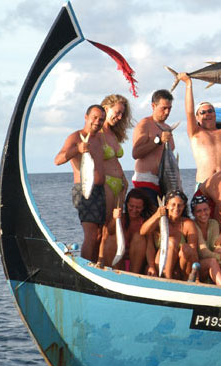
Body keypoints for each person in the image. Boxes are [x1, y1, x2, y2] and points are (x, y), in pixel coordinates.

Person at [54, 104, 106, 262]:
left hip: (100, 190)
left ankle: (94, 266)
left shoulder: (100, 138)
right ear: (86, 117)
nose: (97, 122)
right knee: (91, 234)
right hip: (84, 190)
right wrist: (77, 149)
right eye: (94, 118)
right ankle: (86, 266)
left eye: (101, 119)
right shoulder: (75, 137)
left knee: (100, 234)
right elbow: (58, 160)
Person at [98, 94, 131, 266]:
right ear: (106, 108)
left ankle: (111, 264)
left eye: (121, 115)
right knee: (106, 229)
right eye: (117, 112)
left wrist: (124, 180)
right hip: (106, 183)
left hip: (120, 184)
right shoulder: (97, 133)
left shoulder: (113, 133)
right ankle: (100, 263)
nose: (119, 117)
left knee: (115, 227)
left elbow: (114, 160)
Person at [140, 190, 198, 280]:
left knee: (184, 247)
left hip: (180, 269)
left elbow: (193, 251)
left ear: (184, 206)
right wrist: (157, 215)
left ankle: (181, 279)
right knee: (170, 242)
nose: (176, 208)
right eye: (173, 204)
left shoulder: (188, 224)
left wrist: (196, 277)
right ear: (167, 205)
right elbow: (143, 232)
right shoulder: (158, 222)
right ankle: (167, 278)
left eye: (180, 205)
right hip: (159, 263)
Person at [131, 89, 175, 205]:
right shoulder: (144, 124)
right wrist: (158, 141)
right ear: (153, 106)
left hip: (165, 182)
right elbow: (136, 153)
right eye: (163, 108)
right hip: (146, 181)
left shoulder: (167, 127)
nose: (167, 112)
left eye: (169, 108)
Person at [190, 194, 221, 286]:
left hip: (211, 262)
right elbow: (203, 252)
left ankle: (217, 280)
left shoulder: (213, 223)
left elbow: (215, 244)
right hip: (196, 266)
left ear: (210, 209)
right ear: (193, 213)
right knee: (213, 261)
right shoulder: (192, 225)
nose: (203, 213)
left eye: (205, 209)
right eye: (199, 211)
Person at [117, 188, 156, 274]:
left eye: (138, 207)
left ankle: (133, 275)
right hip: (119, 264)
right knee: (112, 238)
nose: (134, 210)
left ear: (143, 207)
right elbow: (108, 232)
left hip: (137, 267)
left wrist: (151, 266)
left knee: (138, 237)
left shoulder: (145, 223)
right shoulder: (121, 219)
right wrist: (115, 218)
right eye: (131, 206)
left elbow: (150, 246)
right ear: (127, 204)